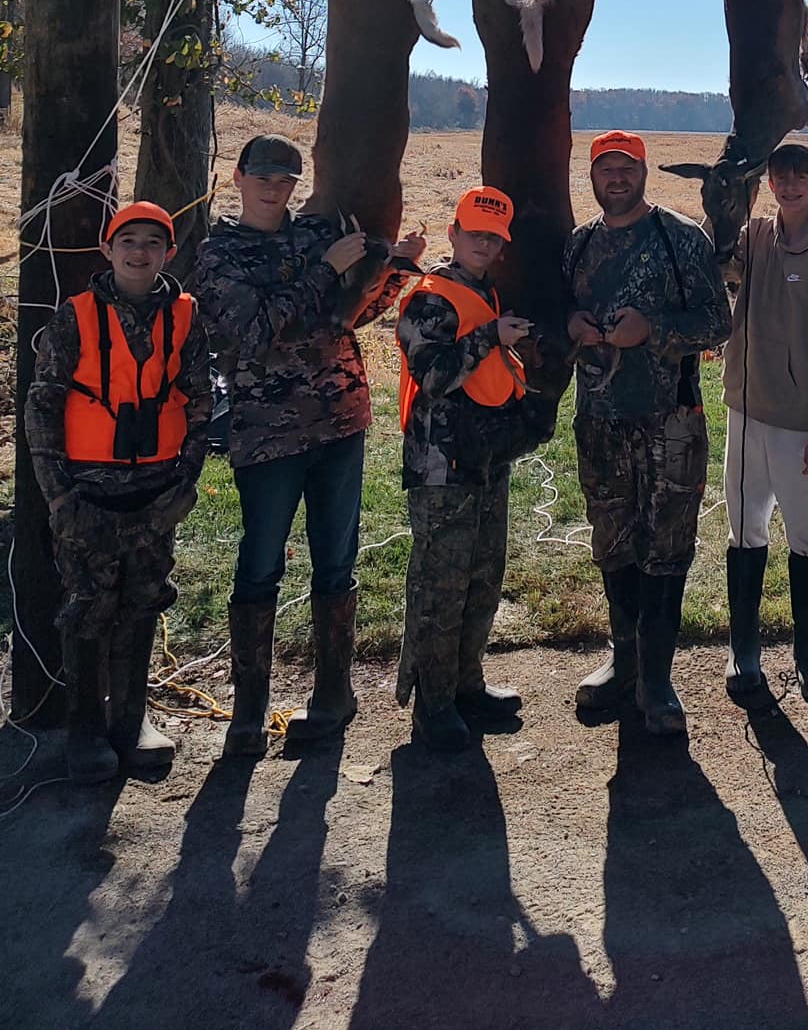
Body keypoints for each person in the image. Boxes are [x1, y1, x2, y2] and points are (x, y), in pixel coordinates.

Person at [193, 134, 426, 756]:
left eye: (287, 178)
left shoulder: (314, 237)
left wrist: (393, 270)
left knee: (336, 563)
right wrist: (330, 269)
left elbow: (347, 318)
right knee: (261, 565)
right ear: (239, 178)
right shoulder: (219, 256)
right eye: (264, 176)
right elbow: (252, 331)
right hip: (268, 434)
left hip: (341, 423)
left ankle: (333, 696)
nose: (275, 187)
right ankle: (248, 713)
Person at [26, 202, 213, 783]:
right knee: (88, 606)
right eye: (127, 240)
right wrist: (60, 498)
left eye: (152, 243)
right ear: (107, 251)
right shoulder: (73, 318)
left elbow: (202, 402)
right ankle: (85, 729)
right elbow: (42, 409)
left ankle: (132, 719)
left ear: (169, 253)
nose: (139, 252)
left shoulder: (185, 316)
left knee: (144, 599)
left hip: (156, 494)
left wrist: (187, 482)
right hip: (87, 495)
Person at [563, 130, 731, 736]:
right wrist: (572, 322)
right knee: (613, 542)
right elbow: (562, 310)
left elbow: (719, 322)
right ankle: (624, 663)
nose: (616, 178)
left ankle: (658, 680)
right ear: (593, 176)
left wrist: (652, 331)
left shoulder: (681, 237)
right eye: (605, 169)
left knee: (666, 547)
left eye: (626, 168)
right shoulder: (579, 246)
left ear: (642, 174)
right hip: (600, 421)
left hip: (672, 422)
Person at [394, 187, 535, 753]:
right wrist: (489, 338)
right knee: (440, 586)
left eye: (493, 236)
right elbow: (432, 376)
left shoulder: (485, 291)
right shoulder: (429, 299)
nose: (483, 242)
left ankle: (467, 687)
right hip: (440, 466)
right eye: (474, 232)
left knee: (481, 578)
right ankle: (434, 704)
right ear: (452, 233)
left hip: (483, 460)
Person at [720, 140, 808, 708]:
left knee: (804, 537)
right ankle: (743, 651)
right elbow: (721, 267)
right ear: (768, 183)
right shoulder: (753, 236)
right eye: (781, 177)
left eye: (802, 177)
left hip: (800, 423)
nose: (791, 186)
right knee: (745, 531)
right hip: (745, 411)